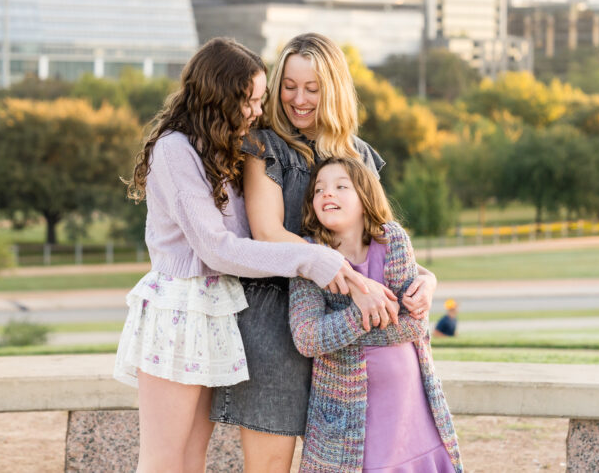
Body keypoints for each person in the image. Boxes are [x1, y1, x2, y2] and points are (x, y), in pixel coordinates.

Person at [113, 37, 371, 473]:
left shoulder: (217, 148)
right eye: (249, 101)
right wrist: (313, 259)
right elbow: (217, 249)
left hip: (215, 310)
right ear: (219, 97)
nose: (257, 111)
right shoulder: (175, 151)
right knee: (163, 460)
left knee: (191, 457)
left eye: (259, 99)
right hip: (180, 311)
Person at [211, 33, 438, 472]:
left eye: (312, 88)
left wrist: (426, 279)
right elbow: (268, 234)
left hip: (349, 340)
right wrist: (355, 281)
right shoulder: (264, 146)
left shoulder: (360, 157)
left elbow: (382, 240)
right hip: (274, 329)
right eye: (289, 86)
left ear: (332, 88)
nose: (298, 99)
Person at [289, 157, 463, 472]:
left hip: (409, 407)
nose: (328, 194)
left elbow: (413, 323)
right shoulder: (310, 257)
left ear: (364, 197)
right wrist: (361, 312)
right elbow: (308, 338)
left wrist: (345, 329)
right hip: (346, 418)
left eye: (341, 186)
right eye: (319, 189)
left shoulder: (392, 241)